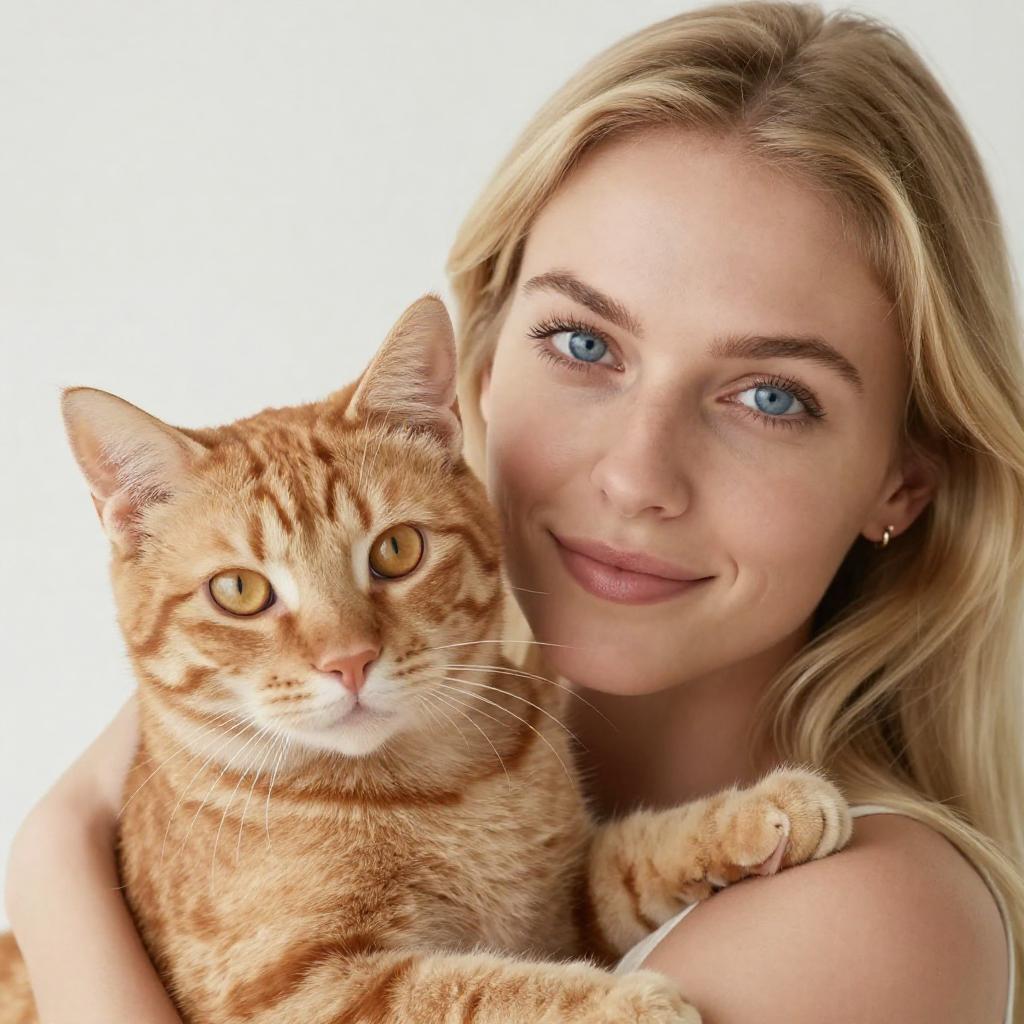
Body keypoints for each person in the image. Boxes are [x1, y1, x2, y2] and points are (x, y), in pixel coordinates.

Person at [6, 2, 1022, 1021]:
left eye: (770, 396)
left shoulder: (879, 921)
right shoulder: (336, 732)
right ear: (478, 375)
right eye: (585, 345)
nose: (635, 476)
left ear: (904, 479)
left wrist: (54, 857)